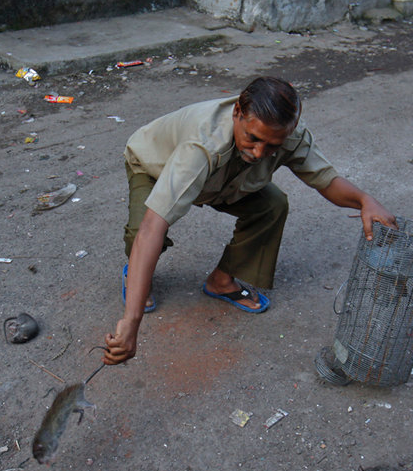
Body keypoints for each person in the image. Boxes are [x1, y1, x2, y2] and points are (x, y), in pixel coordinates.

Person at [103, 76, 395, 365]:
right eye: (253, 139)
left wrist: (365, 200)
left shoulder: (288, 134)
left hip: (223, 180)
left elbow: (325, 179)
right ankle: (136, 276)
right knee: (143, 230)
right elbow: (154, 226)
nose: (259, 153)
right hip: (156, 165)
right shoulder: (203, 144)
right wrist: (132, 319)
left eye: (272, 147)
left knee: (272, 205)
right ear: (237, 113)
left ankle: (221, 280)